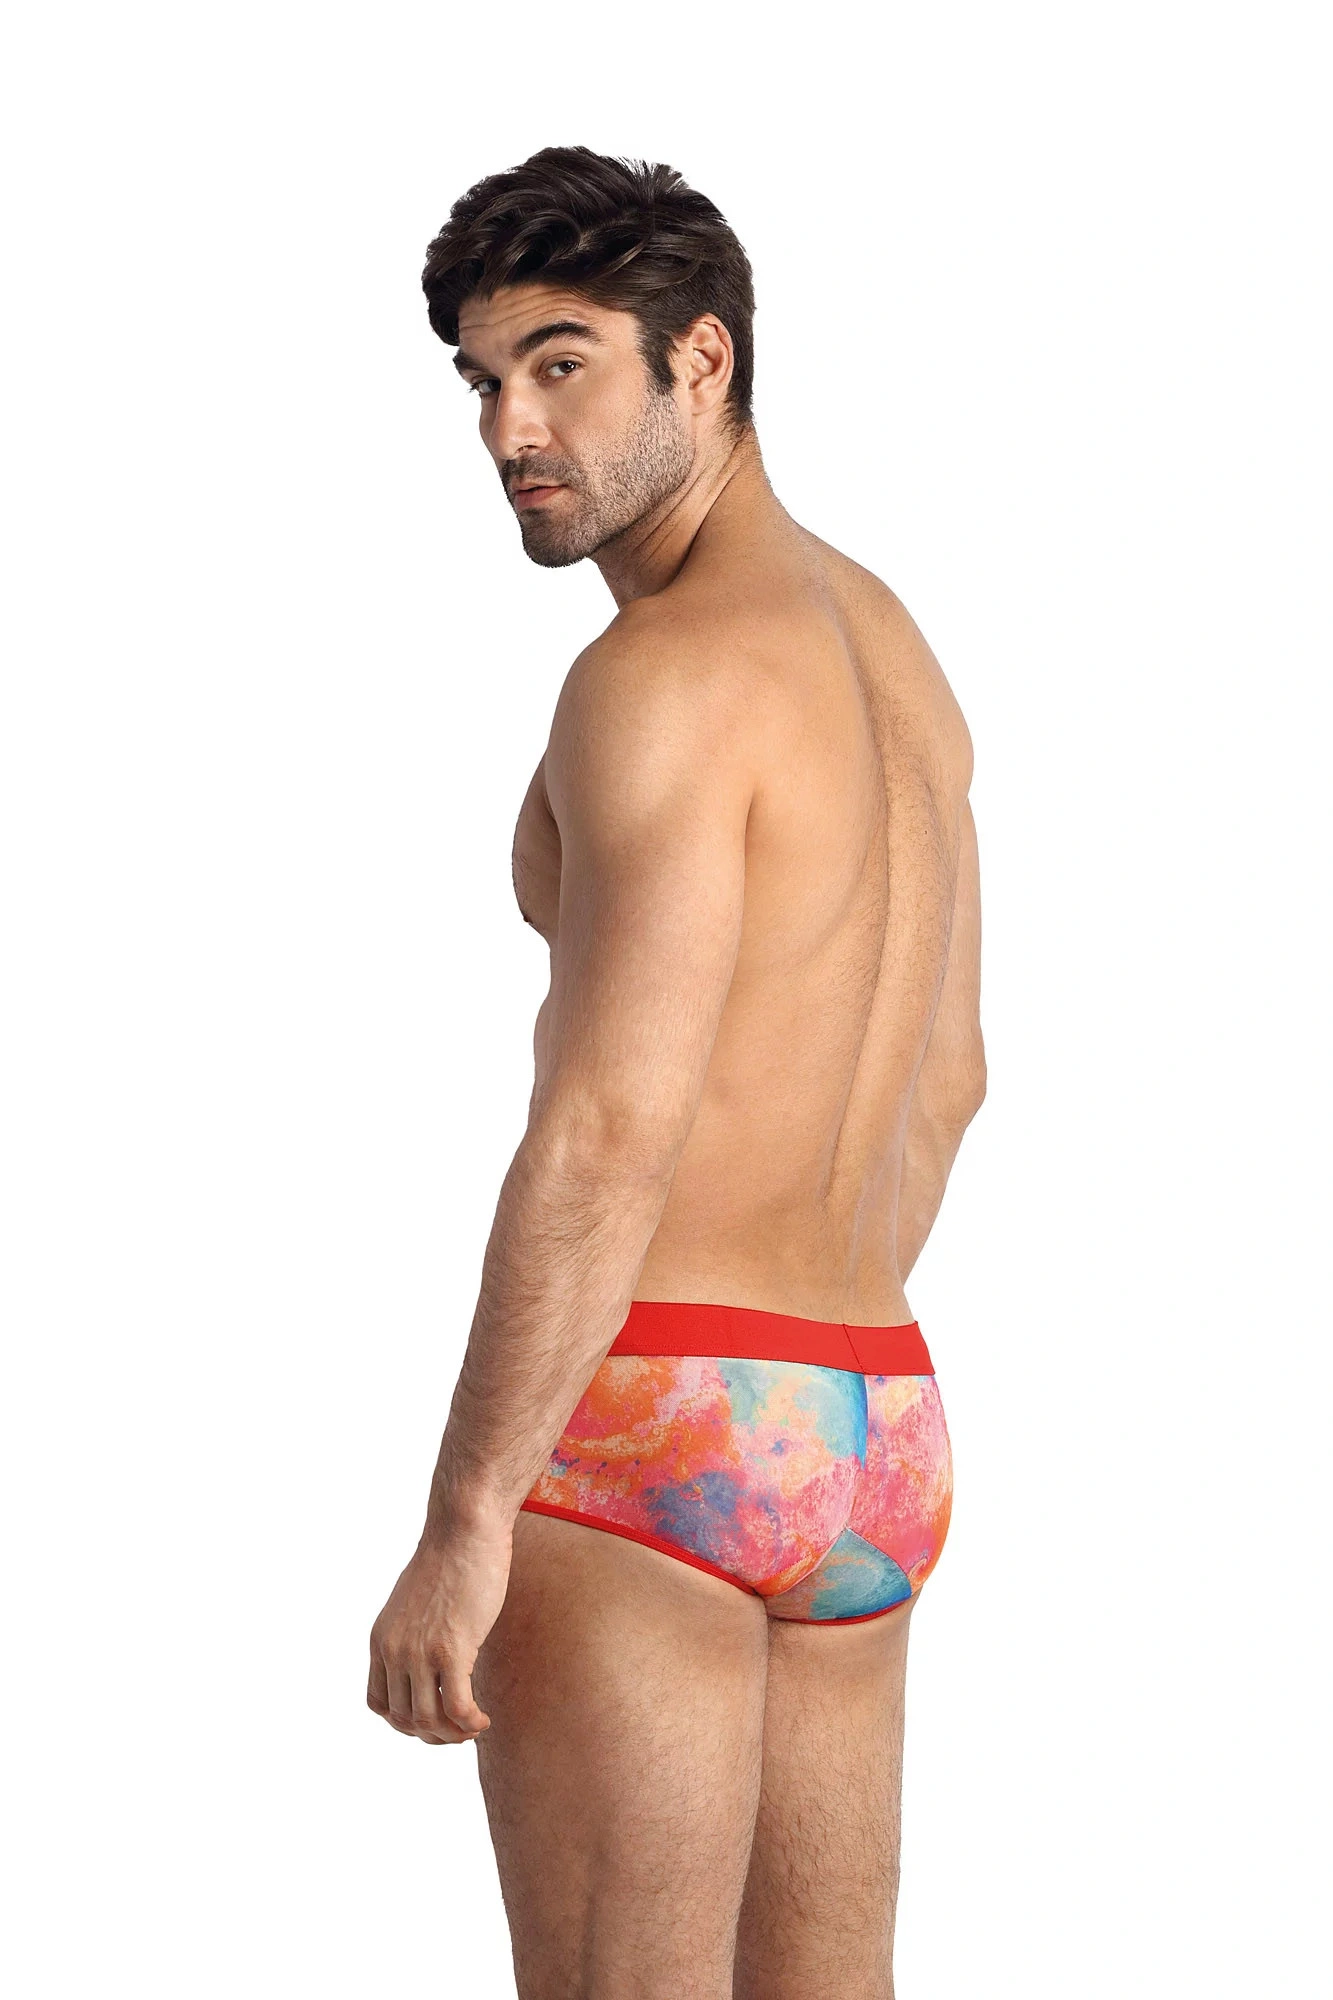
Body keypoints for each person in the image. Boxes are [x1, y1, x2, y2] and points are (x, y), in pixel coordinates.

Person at [367, 145, 985, 2000]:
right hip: (873, 1417)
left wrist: (467, 1515)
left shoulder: (660, 675)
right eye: (483, 380)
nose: (510, 429)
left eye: (561, 365)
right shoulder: (897, 656)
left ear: (701, 359)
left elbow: (608, 1127)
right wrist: (794, 1359)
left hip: (653, 1411)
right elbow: (951, 1076)